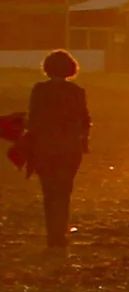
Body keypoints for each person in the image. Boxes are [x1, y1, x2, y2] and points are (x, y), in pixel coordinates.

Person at [25, 50, 91, 249]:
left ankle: (52, 235)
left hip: (44, 147)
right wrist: (83, 142)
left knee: (49, 192)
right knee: (64, 192)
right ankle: (60, 234)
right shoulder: (77, 91)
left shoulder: (39, 90)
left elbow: (33, 119)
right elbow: (85, 120)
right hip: (69, 148)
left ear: (47, 68)